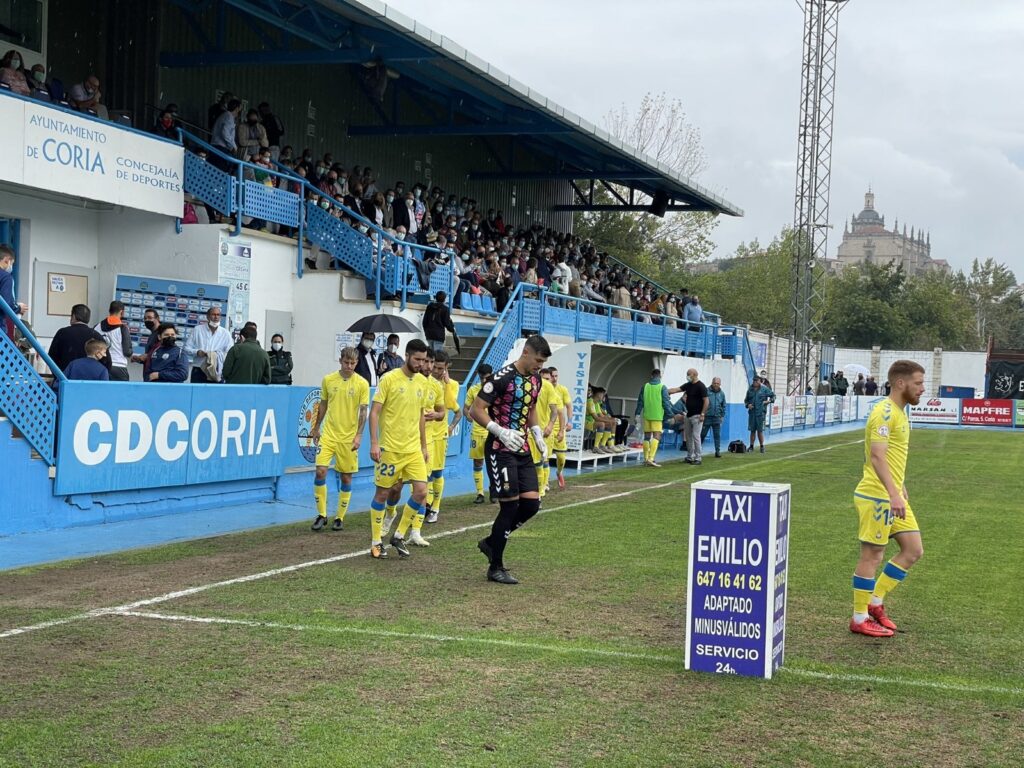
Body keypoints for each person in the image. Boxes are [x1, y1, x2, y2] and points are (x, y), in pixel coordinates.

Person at [849, 360, 926, 638]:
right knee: (873, 555)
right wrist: (893, 493)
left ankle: (875, 602)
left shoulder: (900, 412)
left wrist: (899, 486)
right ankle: (859, 618)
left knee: (913, 550)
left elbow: (891, 457)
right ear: (901, 383)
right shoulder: (884, 412)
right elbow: (878, 455)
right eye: (918, 383)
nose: (923, 388)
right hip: (876, 496)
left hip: (891, 494)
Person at [472, 334, 552, 585]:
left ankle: (491, 543)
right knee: (509, 507)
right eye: (538, 360)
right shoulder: (500, 378)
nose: (540, 365)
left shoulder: (536, 379)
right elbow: (476, 409)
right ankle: (496, 566)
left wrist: (537, 433)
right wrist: (500, 431)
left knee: (531, 505)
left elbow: (530, 408)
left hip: (523, 449)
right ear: (526, 352)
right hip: (500, 449)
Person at [368, 338, 431, 560]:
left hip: (413, 449)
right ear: (407, 356)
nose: (420, 364)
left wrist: (423, 446)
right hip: (390, 449)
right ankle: (376, 542)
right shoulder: (390, 379)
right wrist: (375, 443)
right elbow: (374, 412)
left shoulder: (423, 383)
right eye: (417, 359)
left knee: (422, 491)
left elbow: (422, 418)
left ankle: (399, 534)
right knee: (383, 493)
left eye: (423, 360)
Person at [310, 347, 370, 533]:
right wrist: (316, 427)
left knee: (346, 476)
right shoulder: (329, 380)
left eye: (353, 363)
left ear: (357, 363)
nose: (349, 366)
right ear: (340, 361)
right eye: (346, 362)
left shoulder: (362, 384)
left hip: (348, 438)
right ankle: (321, 515)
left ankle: (340, 517)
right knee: (320, 471)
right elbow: (323, 405)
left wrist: (359, 434)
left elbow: (363, 411)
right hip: (329, 435)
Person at [422, 349, 461, 527]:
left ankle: (434, 508)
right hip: (422, 434)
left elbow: (455, 409)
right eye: (434, 366)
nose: (435, 370)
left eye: (440, 368)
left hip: (439, 435)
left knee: (437, 473)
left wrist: (450, 427)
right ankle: (425, 504)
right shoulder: (424, 381)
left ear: (446, 368)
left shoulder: (452, 385)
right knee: (422, 474)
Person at [528, 368, 563, 498]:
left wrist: (550, 425)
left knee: (543, 460)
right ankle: (536, 488)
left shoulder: (548, 387)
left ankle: (542, 488)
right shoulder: (528, 384)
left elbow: (555, 411)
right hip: (529, 430)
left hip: (544, 431)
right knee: (533, 462)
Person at [463, 364, 493, 504]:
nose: (483, 381)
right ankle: (480, 493)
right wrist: (469, 417)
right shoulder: (474, 390)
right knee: (478, 462)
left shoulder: (495, 390)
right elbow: (466, 408)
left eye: (486, 378)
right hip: (476, 432)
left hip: (492, 431)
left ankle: (494, 490)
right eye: (481, 378)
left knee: (493, 462)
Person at [47, 304, 107, 372]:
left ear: (73, 316)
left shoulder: (62, 333)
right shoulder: (97, 336)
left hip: (65, 378)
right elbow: (106, 361)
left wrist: (58, 375)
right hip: (89, 380)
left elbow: (51, 357)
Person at [634, 369, 674, 468]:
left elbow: (640, 402)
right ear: (660, 376)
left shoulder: (645, 386)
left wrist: (637, 414)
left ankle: (645, 458)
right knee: (657, 437)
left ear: (651, 375)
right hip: (657, 416)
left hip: (647, 415)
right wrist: (671, 415)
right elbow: (666, 403)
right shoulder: (662, 387)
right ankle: (651, 458)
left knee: (647, 437)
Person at [184, 307, 233, 383]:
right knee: (197, 394)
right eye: (213, 314)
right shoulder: (197, 330)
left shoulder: (225, 333)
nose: (216, 317)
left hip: (216, 370)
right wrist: (197, 352)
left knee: (215, 394)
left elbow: (230, 353)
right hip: (199, 369)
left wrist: (217, 356)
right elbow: (186, 348)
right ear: (207, 316)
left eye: (218, 315)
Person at [95, 301, 133, 381]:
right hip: (119, 367)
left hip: (101, 366)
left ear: (110, 311)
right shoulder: (123, 328)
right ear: (122, 312)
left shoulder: (97, 327)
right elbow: (127, 352)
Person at [676, 368, 708, 465]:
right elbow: (677, 389)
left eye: (688, 374)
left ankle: (698, 457)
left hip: (697, 415)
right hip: (688, 415)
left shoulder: (701, 386)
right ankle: (690, 456)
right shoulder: (688, 385)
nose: (687, 376)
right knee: (688, 436)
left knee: (696, 436)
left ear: (694, 374)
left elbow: (706, 401)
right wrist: (664, 391)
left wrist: (702, 414)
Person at [548, 367, 572, 489]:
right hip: (547, 427)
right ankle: (544, 482)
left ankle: (559, 472)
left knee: (561, 457)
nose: (555, 378)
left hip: (559, 428)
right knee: (545, 457)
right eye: (553, 376)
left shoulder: (562, 390)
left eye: (557, 376)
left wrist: (570, 422)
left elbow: (568, 406)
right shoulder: (545, 389)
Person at [0, 244, 27, 340]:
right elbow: (6, 305)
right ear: (7, 260)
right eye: (12, 263)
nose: (11, 266)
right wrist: (18, 308)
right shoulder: (6, 277)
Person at [744, 377, 776, 454]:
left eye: (756, 381)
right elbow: (746, 401)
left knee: (760, 431)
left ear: (760, 382)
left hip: (761, 413)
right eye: (754, 380)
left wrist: (768, 401)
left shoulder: (764, 389)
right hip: (752, 413)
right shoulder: (750, 390)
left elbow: (773, 395)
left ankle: (762, 446)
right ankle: (751, 446)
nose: (754, 382)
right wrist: (748, 405)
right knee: (752, 431)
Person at [211, 99, 242, 170]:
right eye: (240, 109)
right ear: (237, 108)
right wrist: (233, 146)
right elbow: (225, 133)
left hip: (216, 146)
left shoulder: (224, 115)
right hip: (220, 148)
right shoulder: (228, 116)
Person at [131, 307, 161, 379]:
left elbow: (163, 353)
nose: (147, 320)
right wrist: (139, 359)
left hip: (157, 376)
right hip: (148, 374)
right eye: (145, 318)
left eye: (150, 317)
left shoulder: (162, 333)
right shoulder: (152, 335)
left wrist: (147, 356)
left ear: (157, 318)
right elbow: (150, 355)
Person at [702, 377, 727, 458]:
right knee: (702, 435)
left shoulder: (722, 394)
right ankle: (697, 451)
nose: (716, 385)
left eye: (718, 383)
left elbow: (723, 405)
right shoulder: (706, 391)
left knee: (717, 435)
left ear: (720, 384)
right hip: (707, 417)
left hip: (717, 417)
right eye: (714, 383)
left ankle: (717, 451)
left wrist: (722, 416)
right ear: (712, 383)